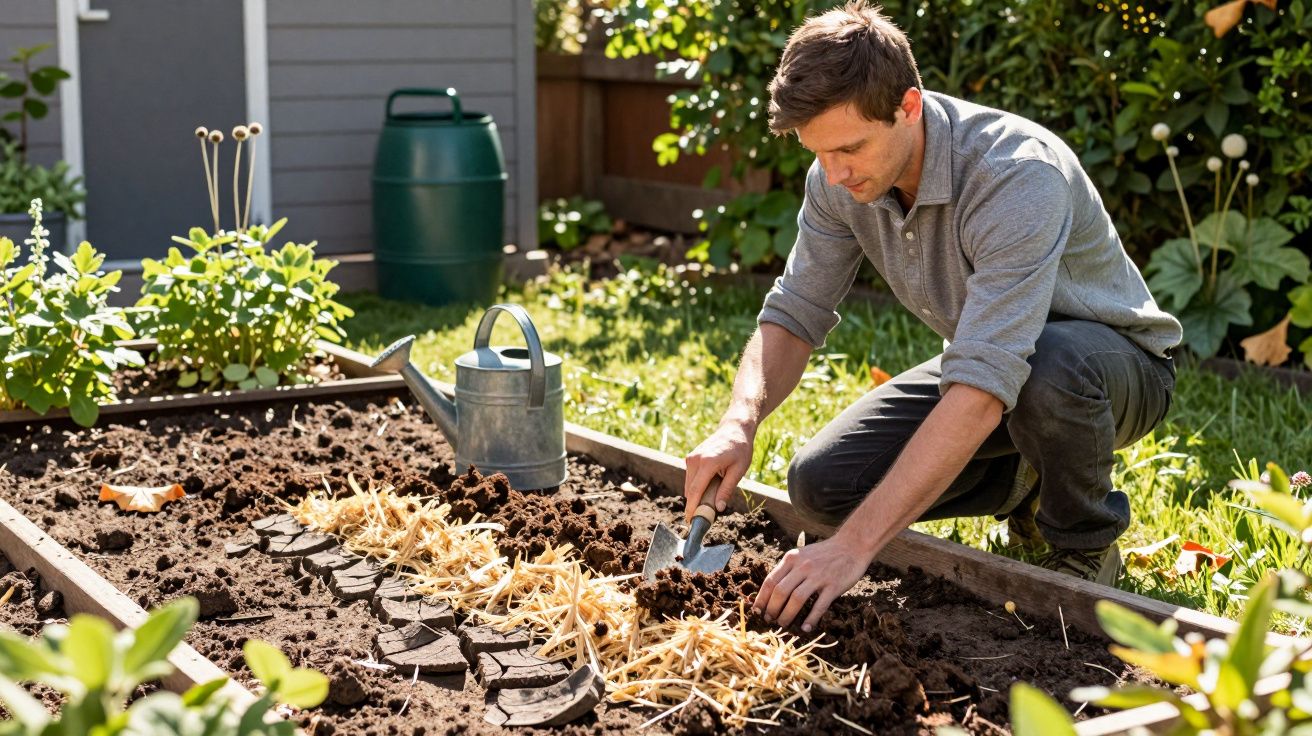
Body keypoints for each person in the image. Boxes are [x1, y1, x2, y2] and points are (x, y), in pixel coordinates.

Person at [681, 1, 1182, 633]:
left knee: (1050, 367)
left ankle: (1082, 540)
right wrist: (739, 421)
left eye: (851, 149)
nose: (834, 174)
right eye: (820, 153)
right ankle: (1027, 484)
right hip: (992, 364)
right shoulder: (839, 178)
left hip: (1112, 368)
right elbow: (796, 309)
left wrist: (856, 549)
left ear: (909, 107)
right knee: (823, 487)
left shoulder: (1016, 174)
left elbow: (982, 385)